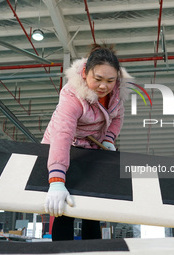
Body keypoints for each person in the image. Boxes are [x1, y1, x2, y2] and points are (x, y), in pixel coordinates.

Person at [42, 43, 132, 241]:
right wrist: (56, 181)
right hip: (64, 146)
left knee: (92, 209)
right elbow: (62, 135)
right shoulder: (71, 96)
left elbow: (117, 118)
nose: (104, 86)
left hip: (92, 147)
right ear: (84, 73)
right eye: (98, 79)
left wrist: (108, 139)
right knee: (66, 208)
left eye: (110, 80)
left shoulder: (116, 93)